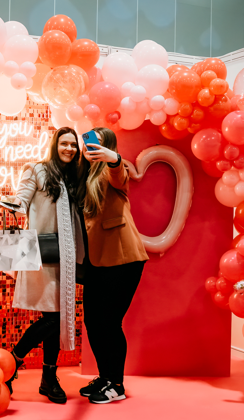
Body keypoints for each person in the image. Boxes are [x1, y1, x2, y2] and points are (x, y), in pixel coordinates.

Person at [5, 127, 86, 404]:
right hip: (41, 253)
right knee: (54, 318)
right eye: (64, 144)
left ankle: (48, 378)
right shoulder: (37, 170)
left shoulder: (74, 177)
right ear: (55, 145)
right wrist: (12, 203)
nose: (69, 149)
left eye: (73, 145)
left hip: (66, 256)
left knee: (57, 317)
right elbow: (22, 199)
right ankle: (13, 361)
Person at [78, 127, 148, 404]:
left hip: (122, 259)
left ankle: (116, 385)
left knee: (109, 322)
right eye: (88, 143)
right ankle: (105, 376)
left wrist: (113, 158)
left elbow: (121, 176)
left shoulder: (112, 170)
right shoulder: (82, 175)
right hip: (96, 261)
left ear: (107, 146)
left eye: (97, 144)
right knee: (93, 322)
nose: (90, 149)